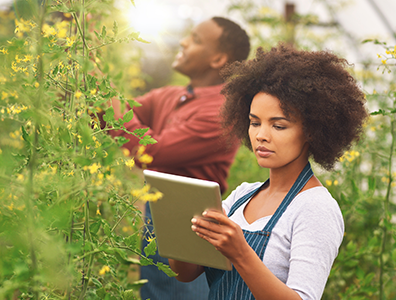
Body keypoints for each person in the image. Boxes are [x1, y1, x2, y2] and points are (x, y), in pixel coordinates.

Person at [168, 44, 368, 300]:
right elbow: (185, 273)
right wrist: (181, 230)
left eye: (279, 126)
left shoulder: (315, 208)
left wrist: (240, 253)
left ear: (311, 131)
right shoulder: (243, 196)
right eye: (254, 123)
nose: (261, 136)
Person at [107, 17, 250, 300]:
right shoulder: (174, 95)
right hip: (158, 211)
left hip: (190, 220)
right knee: (154, 291)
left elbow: (151, 152)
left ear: (218, 58)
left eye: (196, 39)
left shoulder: (222, 113)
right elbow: (125, 115)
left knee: (175, 292)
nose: (183, 42)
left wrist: (103, 93)